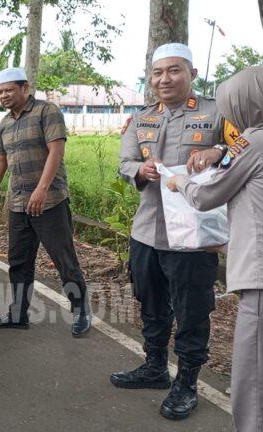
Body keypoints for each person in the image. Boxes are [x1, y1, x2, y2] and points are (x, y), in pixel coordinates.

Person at [111, 43, 239, 421]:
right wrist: (139, 170)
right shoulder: (141, 118)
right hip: (148, 231)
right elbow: (125, 160)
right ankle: (154, 367)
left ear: (192, 74)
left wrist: (218, 152)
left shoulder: (218, 113)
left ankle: (186, 382)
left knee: (192, 310)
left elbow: (246, 148)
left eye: (174, 71)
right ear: (150, 78)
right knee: (149, 300)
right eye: (157, 73)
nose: (164, 79)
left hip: (195, 237)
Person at [165, 66, 263, 432]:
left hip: (259, 278)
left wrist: (180, 182)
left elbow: (208, 195)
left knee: (252, 378)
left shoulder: (252, 140)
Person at [0, 67, 91, 337]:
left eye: (9, 90)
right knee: (18, 261)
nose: (4, 95)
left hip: (49, 201)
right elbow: (0, 162)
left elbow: (56, 151)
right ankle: (18, 314)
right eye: (0, 91)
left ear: (24, 88)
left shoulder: (45, 111)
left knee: (63, 258)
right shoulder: (5, 123)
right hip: (18, 204)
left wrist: (41, 189)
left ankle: (81, 312)